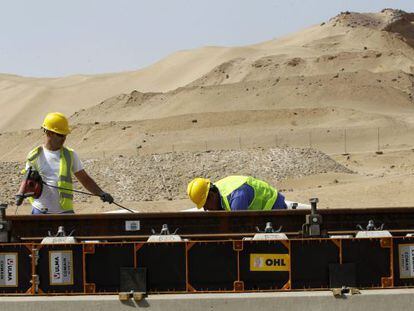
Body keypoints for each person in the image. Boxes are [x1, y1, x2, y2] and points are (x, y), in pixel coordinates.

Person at [24, 112, 113, 214]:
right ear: (48, 132)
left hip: (65, 212)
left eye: (65, 135)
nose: (63, 138)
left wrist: (101, 193)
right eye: (60, 135)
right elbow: (27, 184)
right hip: (40, 211)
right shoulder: (34, 156)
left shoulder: (70, 155)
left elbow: (84, 179)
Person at [187, 175, 287, 211]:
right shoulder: (218, 191)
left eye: (204, 204)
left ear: (212, 196)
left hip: (274, 207)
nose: (205, 209)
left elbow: (239, 229)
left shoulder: (237, 198)